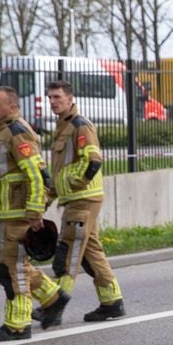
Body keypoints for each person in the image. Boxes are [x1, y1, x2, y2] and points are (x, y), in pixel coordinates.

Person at [0, 86, 66, 341]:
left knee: (11, 268)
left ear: (13, 107)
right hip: (3, 214)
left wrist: (35, 210)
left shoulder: (17, 133)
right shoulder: (0, 131)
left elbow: (38, 175)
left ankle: (17, 324)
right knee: (0, 263)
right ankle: (52, 298)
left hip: (17, 214)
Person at [44, 80, 125, 321]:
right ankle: (112, 301)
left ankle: (54, 306)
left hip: (83, 199)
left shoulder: (80, 125)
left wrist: (77, 184)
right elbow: (61, 171)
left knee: (67, 251)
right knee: (91, 254)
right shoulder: (63, 126)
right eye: (50, 98)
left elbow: (94, 160)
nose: (53, 102)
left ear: (70, 99)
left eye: (57, 97)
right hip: (75, 199)